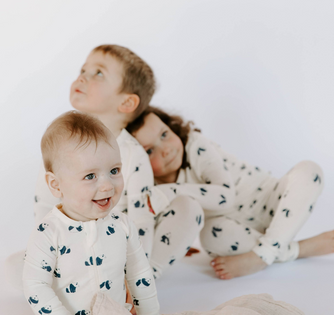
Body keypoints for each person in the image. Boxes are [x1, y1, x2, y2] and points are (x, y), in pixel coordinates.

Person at [32, 45, 203, 279]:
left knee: (189, 208)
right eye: (83, 69)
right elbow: (44, 205)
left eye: (98, 73)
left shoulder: (132, 154)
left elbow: (141, 219)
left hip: (120, 253)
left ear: (126, 103)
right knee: (15, 267)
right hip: (74, 251)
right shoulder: (61, 142)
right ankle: (79, 286)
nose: (83, 76)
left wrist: (136, 275)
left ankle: (141, 283)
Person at [127, 106, 334, 280]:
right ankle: (295, 248)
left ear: (171, 127)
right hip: (233, 228)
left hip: (273, 201)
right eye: (149, 150)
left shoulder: (194, 144)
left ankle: (262, 256)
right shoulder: (148, 186)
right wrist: (178, 239)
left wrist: (171, 190)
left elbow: (225, 196)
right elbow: (150, 218)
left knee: (309, 170)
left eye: (164, 134)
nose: (166, 149)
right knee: (210, 237)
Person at [24, 110, 170, 315]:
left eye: (114, 171)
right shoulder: (49, 231)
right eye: (90, 176)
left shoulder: (123, 226)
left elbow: (139, 272)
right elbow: (35, 286)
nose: (107, 186)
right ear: (56, 185)